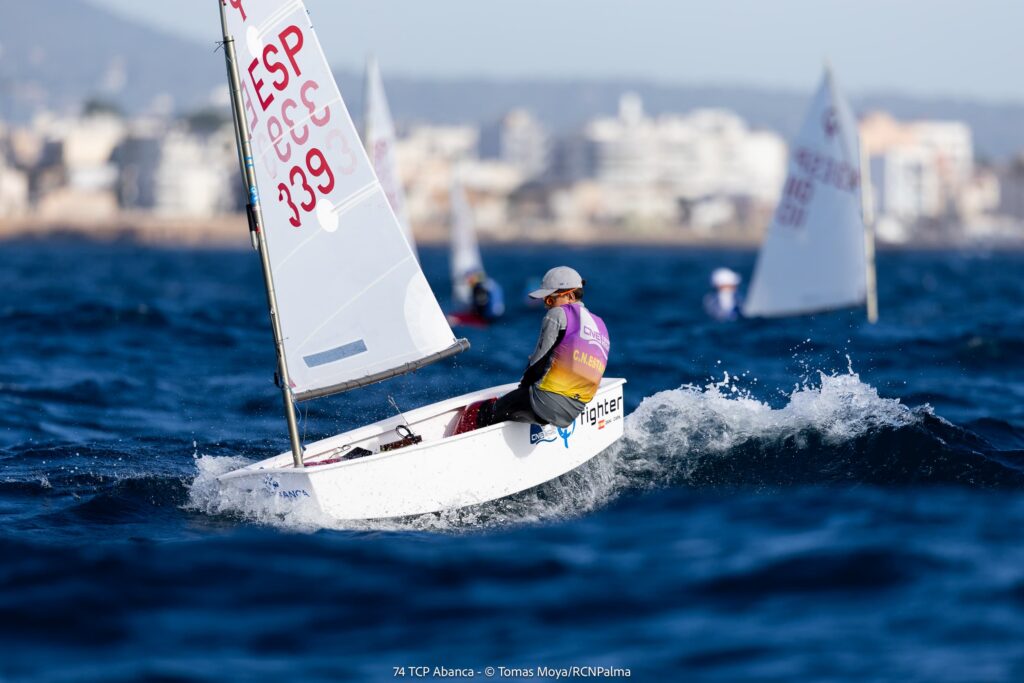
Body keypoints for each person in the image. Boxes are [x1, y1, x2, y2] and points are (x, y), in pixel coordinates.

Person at [476, 266, 610, 429]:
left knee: (485, 413)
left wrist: (519, 393)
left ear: (570, 295)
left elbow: (537, 363)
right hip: (575, 410)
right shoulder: (601, 325)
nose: (547, 306)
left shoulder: (558, 314)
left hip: (544, 403)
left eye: (550, 300)